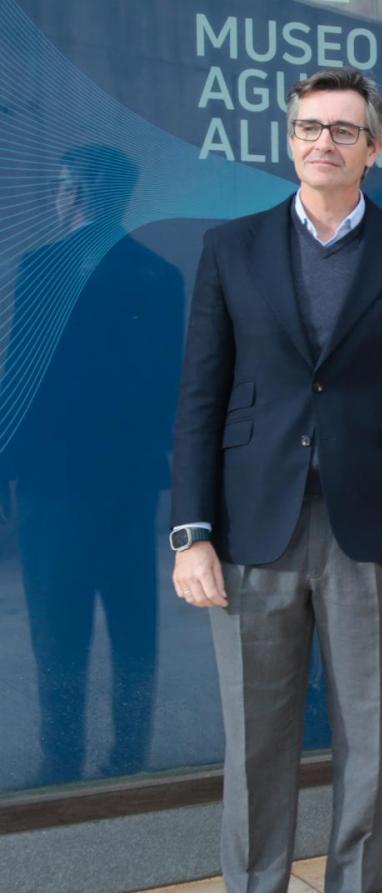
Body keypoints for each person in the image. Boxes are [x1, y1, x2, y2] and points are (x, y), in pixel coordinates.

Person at [169, 68, 382, 893]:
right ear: (289, 140)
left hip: (373, 531)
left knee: (368, 739)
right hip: (254, 528)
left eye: (343, 129)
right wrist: (192, 531)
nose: (322, 142)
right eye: (308, 127)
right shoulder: (232, 248)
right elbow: (200, 398)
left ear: (374, 148)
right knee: (255, 747)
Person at [5, 145, 180, 788]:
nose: (55, 196)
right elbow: (169, 386)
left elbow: (25, 377)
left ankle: (62, 758)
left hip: (55, 477)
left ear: (74, 192)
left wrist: (6, 468)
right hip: (129, 476)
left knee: (58, 625)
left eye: (58, 184)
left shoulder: (43, 266)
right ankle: (131, 753)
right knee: (133, 617)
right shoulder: (160, 276)